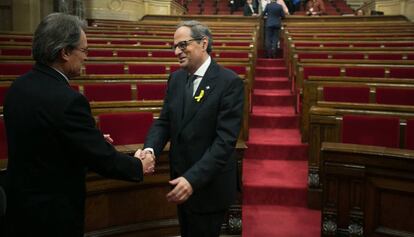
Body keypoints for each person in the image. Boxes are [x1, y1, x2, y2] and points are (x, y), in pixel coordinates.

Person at [3, 13, 155, 237]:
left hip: (19, 207)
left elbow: (43, 143)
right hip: (52, 215)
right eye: (83, 50)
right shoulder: (68, 100)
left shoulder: (17, 87)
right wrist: (138, 166)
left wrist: (87, 142)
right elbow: (102, 160)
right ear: (65, 52)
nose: (86, 57)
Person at [138, 20, 244, 237]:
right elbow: (164, 121)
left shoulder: (229, 82)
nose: (177, 51)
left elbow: (224, 142)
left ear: (204, 43)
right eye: (174, 46)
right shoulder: (176, 78)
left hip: (208, 186)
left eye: (183, 45)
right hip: (180, 180)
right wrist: (150, 150)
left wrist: (192, 179)